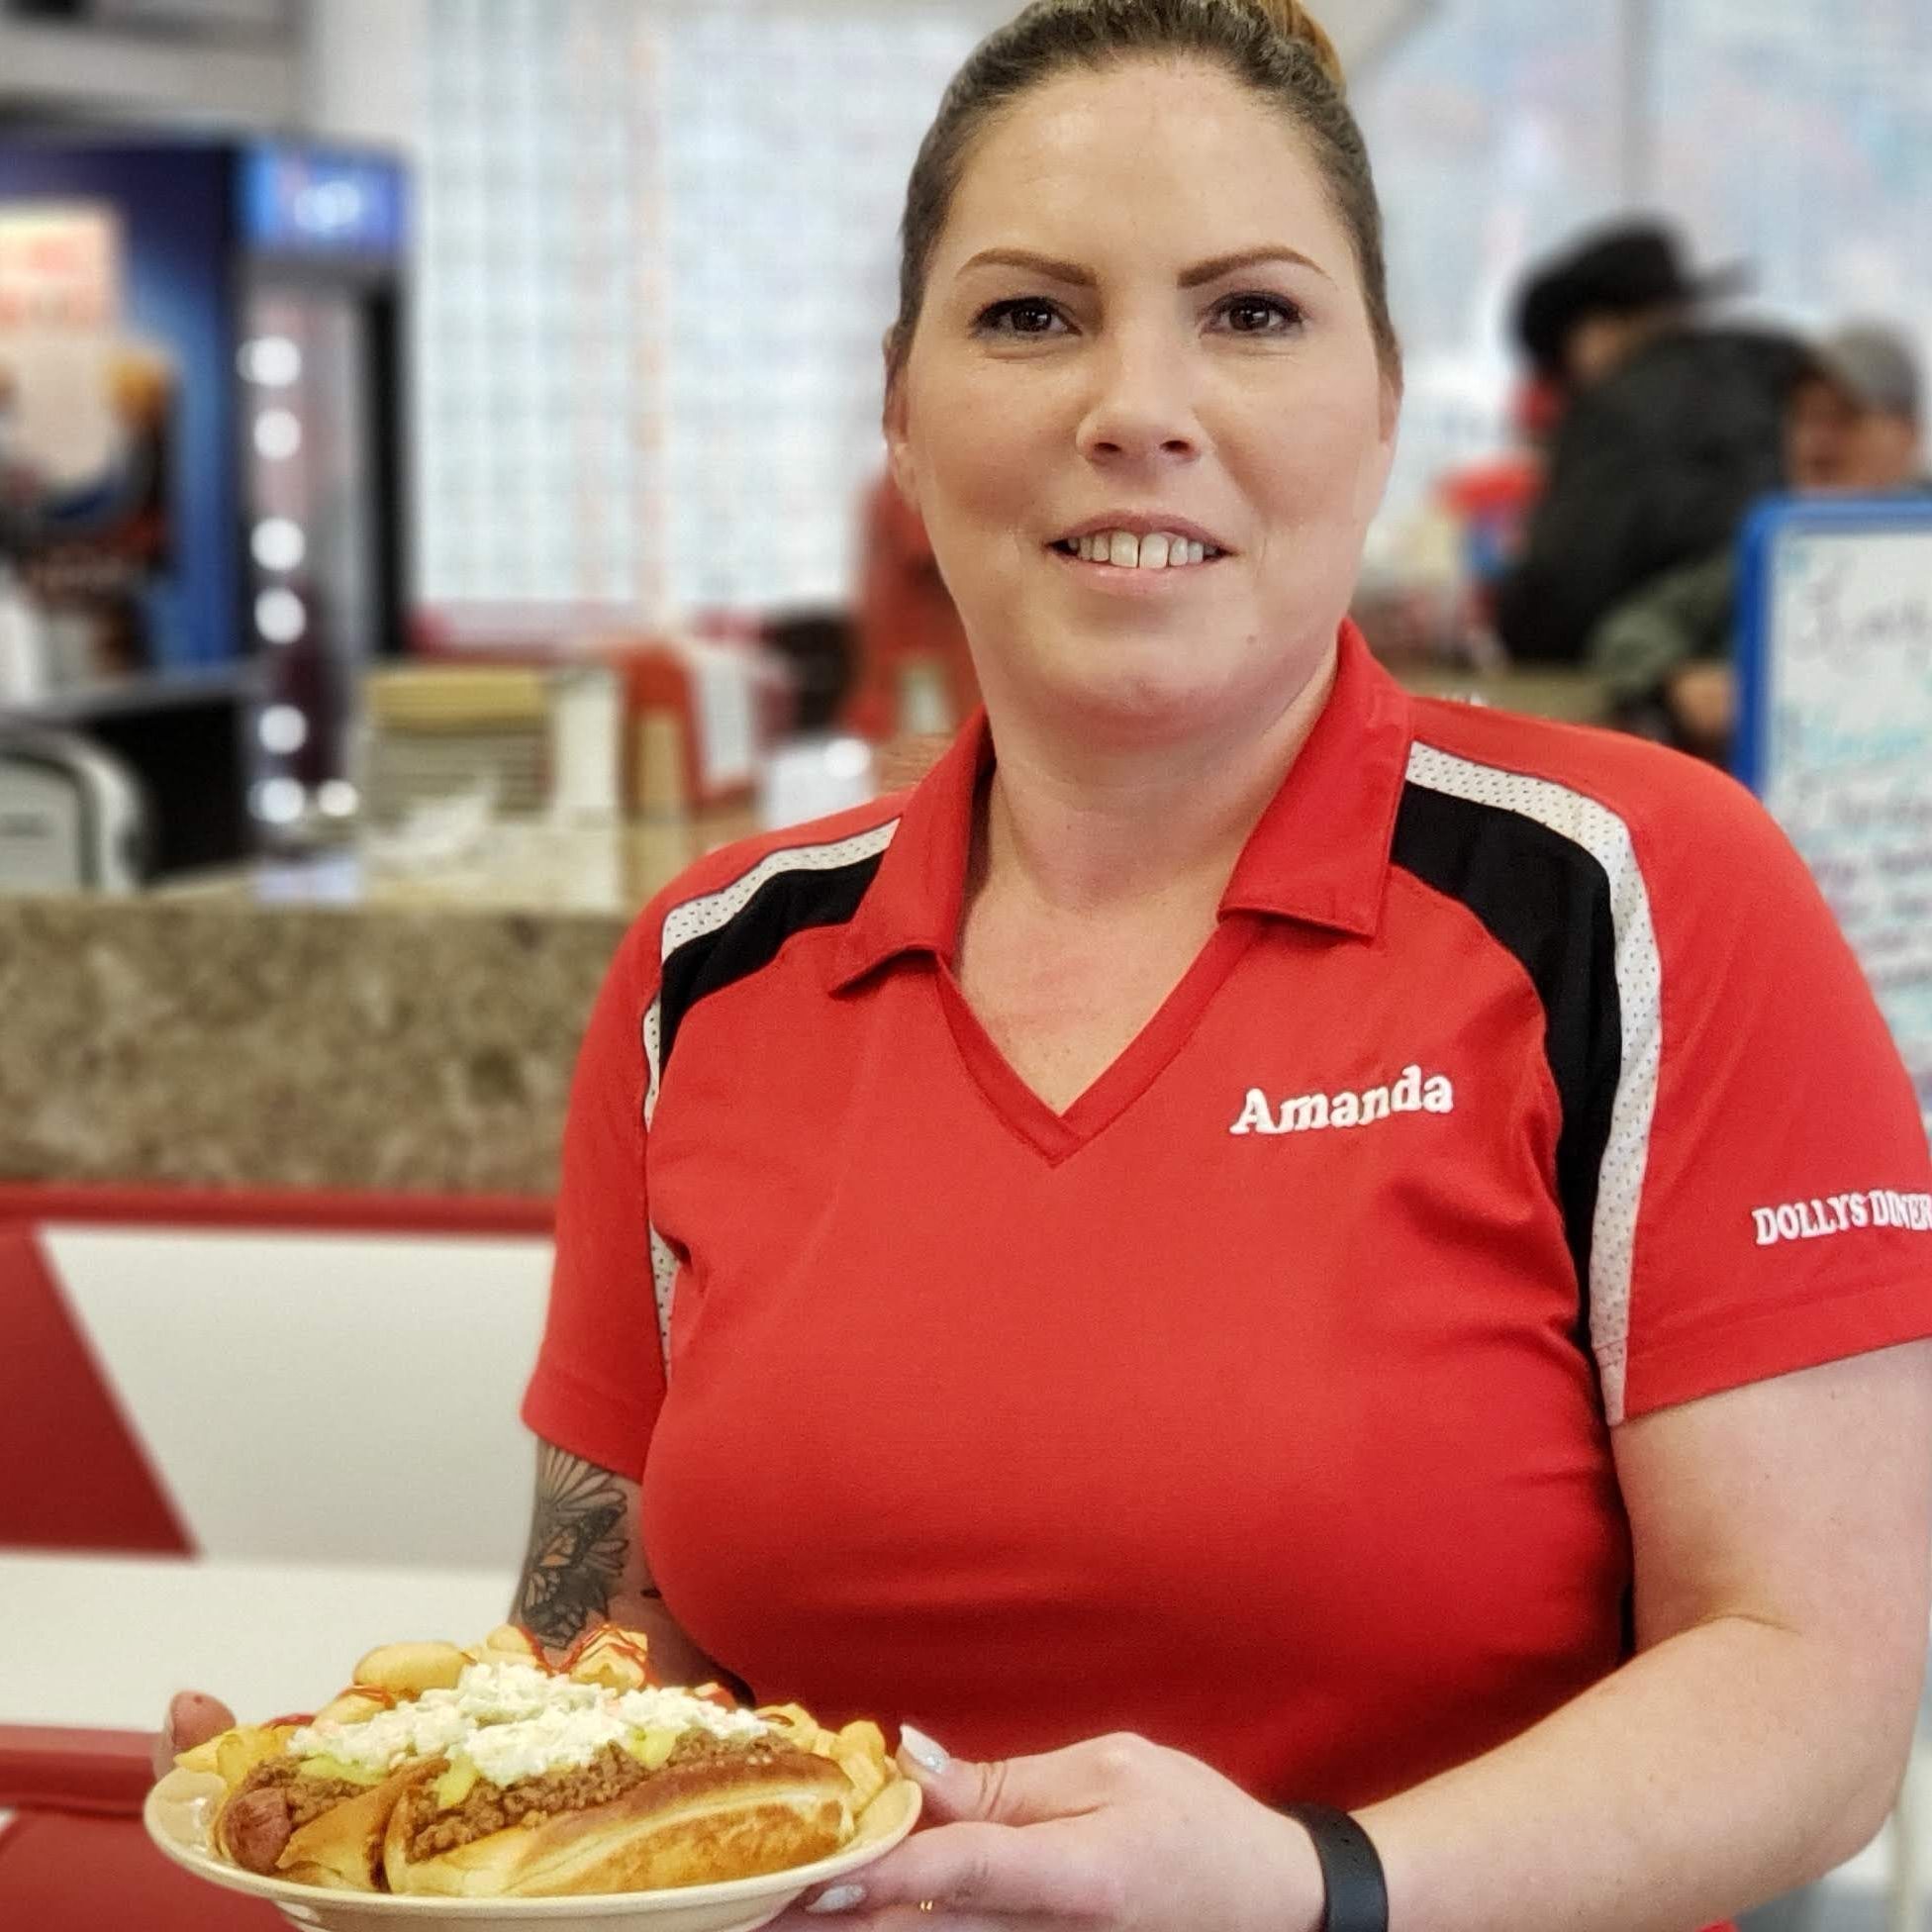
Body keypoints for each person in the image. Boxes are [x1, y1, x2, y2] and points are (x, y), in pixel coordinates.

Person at [164, 5, 1932, 1930]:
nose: (1135, 403)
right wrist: (432, 1836)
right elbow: (609, 1651)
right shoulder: (712, 973)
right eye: (1027, 316)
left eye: (1250, 313)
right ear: (902, 418)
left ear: (1383, 400)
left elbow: (1813, 1679)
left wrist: (1311, 1886)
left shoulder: (1641, 896)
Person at [1591, 322, 1929, 760]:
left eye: (1846, 419)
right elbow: (1633, 627)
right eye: (1806, 418)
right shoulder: (1773, 551)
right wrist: (1676, 681)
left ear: (1907, 434)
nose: (1819, 444)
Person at [1492, 221, 1807, 665]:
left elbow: (1558, 600)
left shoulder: (1614, 409)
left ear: (1595, 331)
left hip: (1677, 691)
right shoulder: (1783, 373)